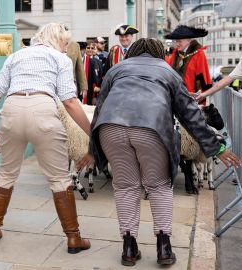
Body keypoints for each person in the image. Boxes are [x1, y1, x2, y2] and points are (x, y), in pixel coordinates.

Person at [87, 38, 241, 266]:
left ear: (134, 52)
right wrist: (216, 147)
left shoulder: (116, 69)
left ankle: (129, 248)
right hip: (151, 130)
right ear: (159, 53)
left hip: (111, 129)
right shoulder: (168, 71)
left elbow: (99, 109)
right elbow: (190, 114)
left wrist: (92, 150)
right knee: (158, 185)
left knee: (126, 186)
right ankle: (164, 248)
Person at [0, 23, 92, 254]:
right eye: (65, 43)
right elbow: (69, 101)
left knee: (6, 173)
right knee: (58, 178)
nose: (66, 49)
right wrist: (92, 131)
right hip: (43, 109)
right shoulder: (60, 59)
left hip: (12, 109)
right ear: (57, 40)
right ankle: (74, 238)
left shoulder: (16, 56)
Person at [165, 25, 212, 105]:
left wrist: (201, 104)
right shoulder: (175, 54)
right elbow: (166, 69)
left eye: (179, 41)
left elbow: (203, 81)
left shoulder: (199, 54)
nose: (177, 44)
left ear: (188, 40)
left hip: (191, 101)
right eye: (176, 41)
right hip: (175, 99)